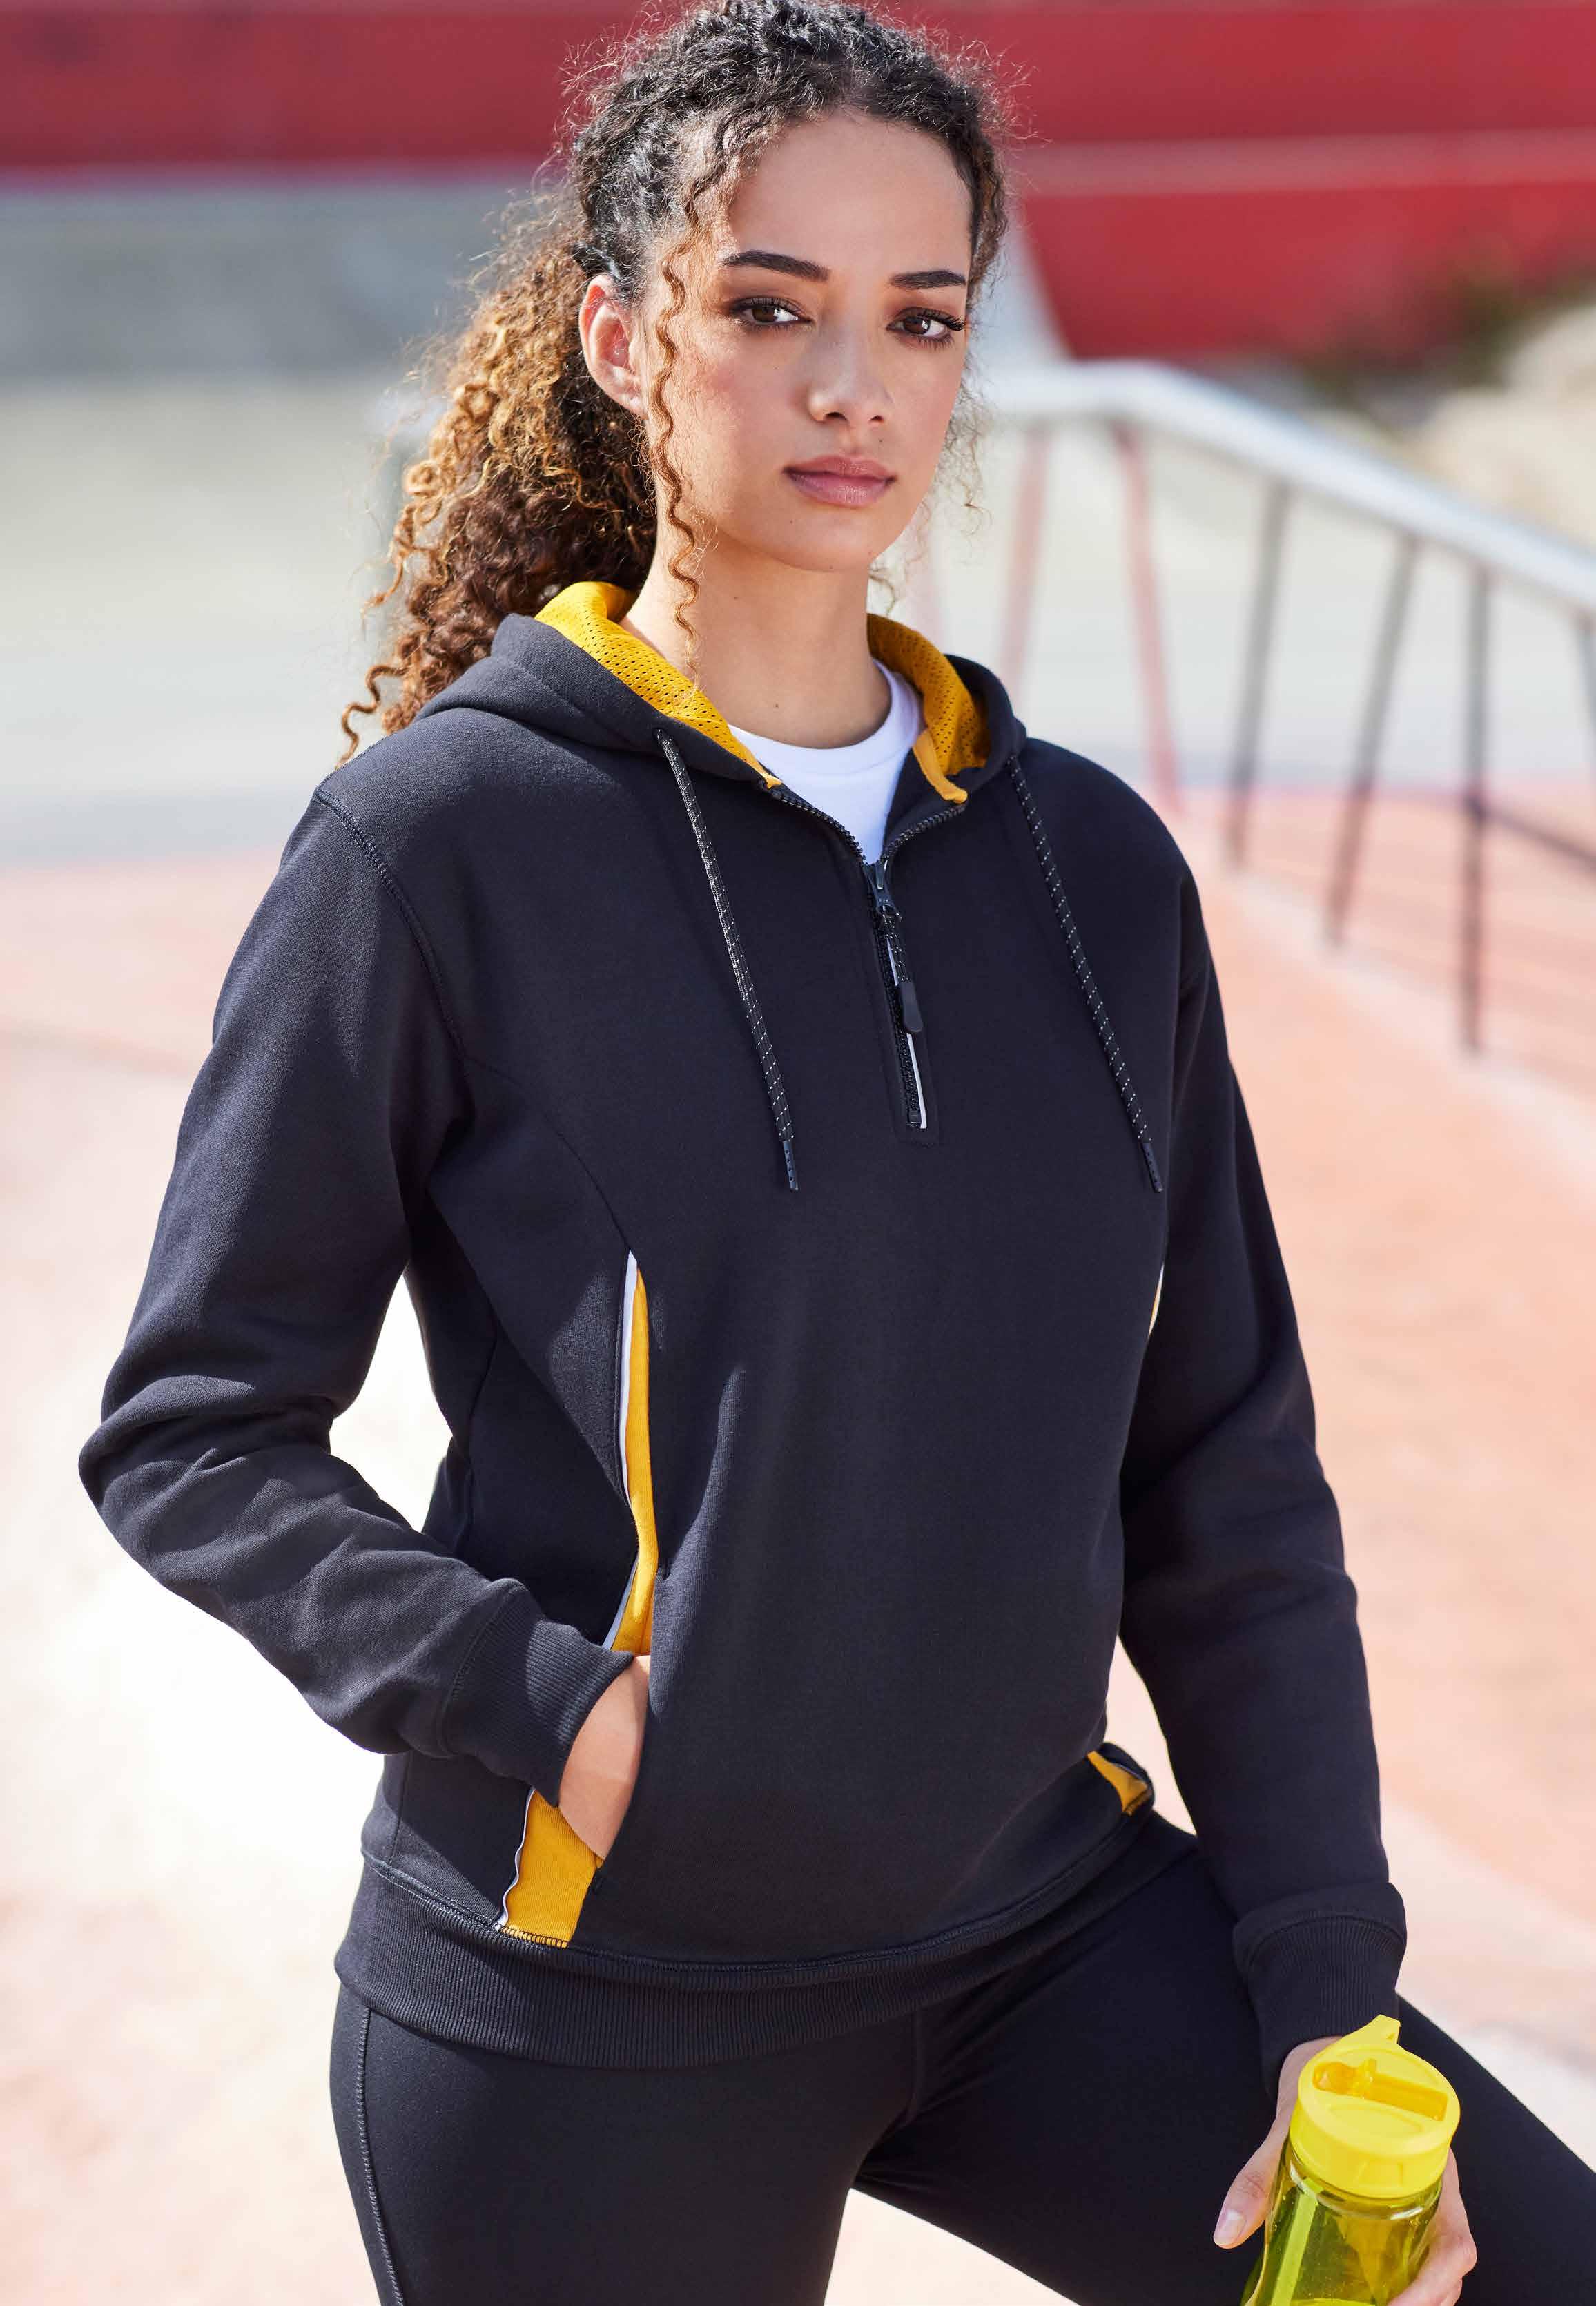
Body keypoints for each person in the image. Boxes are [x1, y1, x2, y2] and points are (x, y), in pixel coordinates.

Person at [77, 3, 1596, 2300]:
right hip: (603, 1988)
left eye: (921, 319)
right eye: (772, 309)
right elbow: (194, 1424)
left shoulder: (1090, 870)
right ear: (624, 338)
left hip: (1039, 1920)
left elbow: (1225, 1469)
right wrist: (547, 1711)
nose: (851, 387)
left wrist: (1323, 1976)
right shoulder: (441, 848)